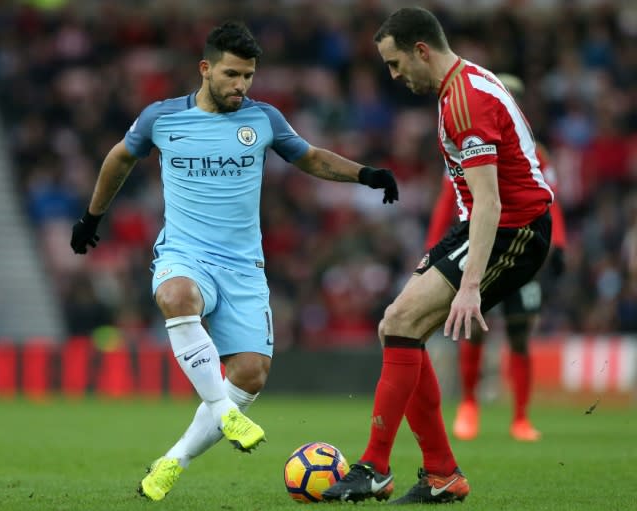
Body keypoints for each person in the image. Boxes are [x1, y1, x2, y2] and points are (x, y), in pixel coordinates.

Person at [69, 20, 399, 502]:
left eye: (248, 76)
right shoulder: (162, 118)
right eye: (231, 75)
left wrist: (366, 174)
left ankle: (170, 462)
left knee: (250, 374)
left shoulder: (263, 119)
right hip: (185, 254)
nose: (241, 86)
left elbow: (310, 158)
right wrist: (91, 218)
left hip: (244, 267)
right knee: (175, 295)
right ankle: (223, 411)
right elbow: (119, 158)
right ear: (205, 69)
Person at [323, 7, 553, 505]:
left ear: (420, 50)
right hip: (483, 224)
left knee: (403, 321)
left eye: (394, 63)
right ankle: (442, 475)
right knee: (397, 325)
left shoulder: (464, 100)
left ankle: (376, 467)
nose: (394, 75)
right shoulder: (463, 83)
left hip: (514, 229)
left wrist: (470, 287)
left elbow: (491, 201)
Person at [426, 74, 569, 443]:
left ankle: (520, 417)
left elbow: (550, 199)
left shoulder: (537, 154)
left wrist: (561, 244)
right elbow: (449, 202)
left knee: (520, 333)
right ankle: (469, 405)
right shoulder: (467, 145)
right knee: (473, 329)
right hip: (482, 250)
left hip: (523, 249)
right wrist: (434, 247)